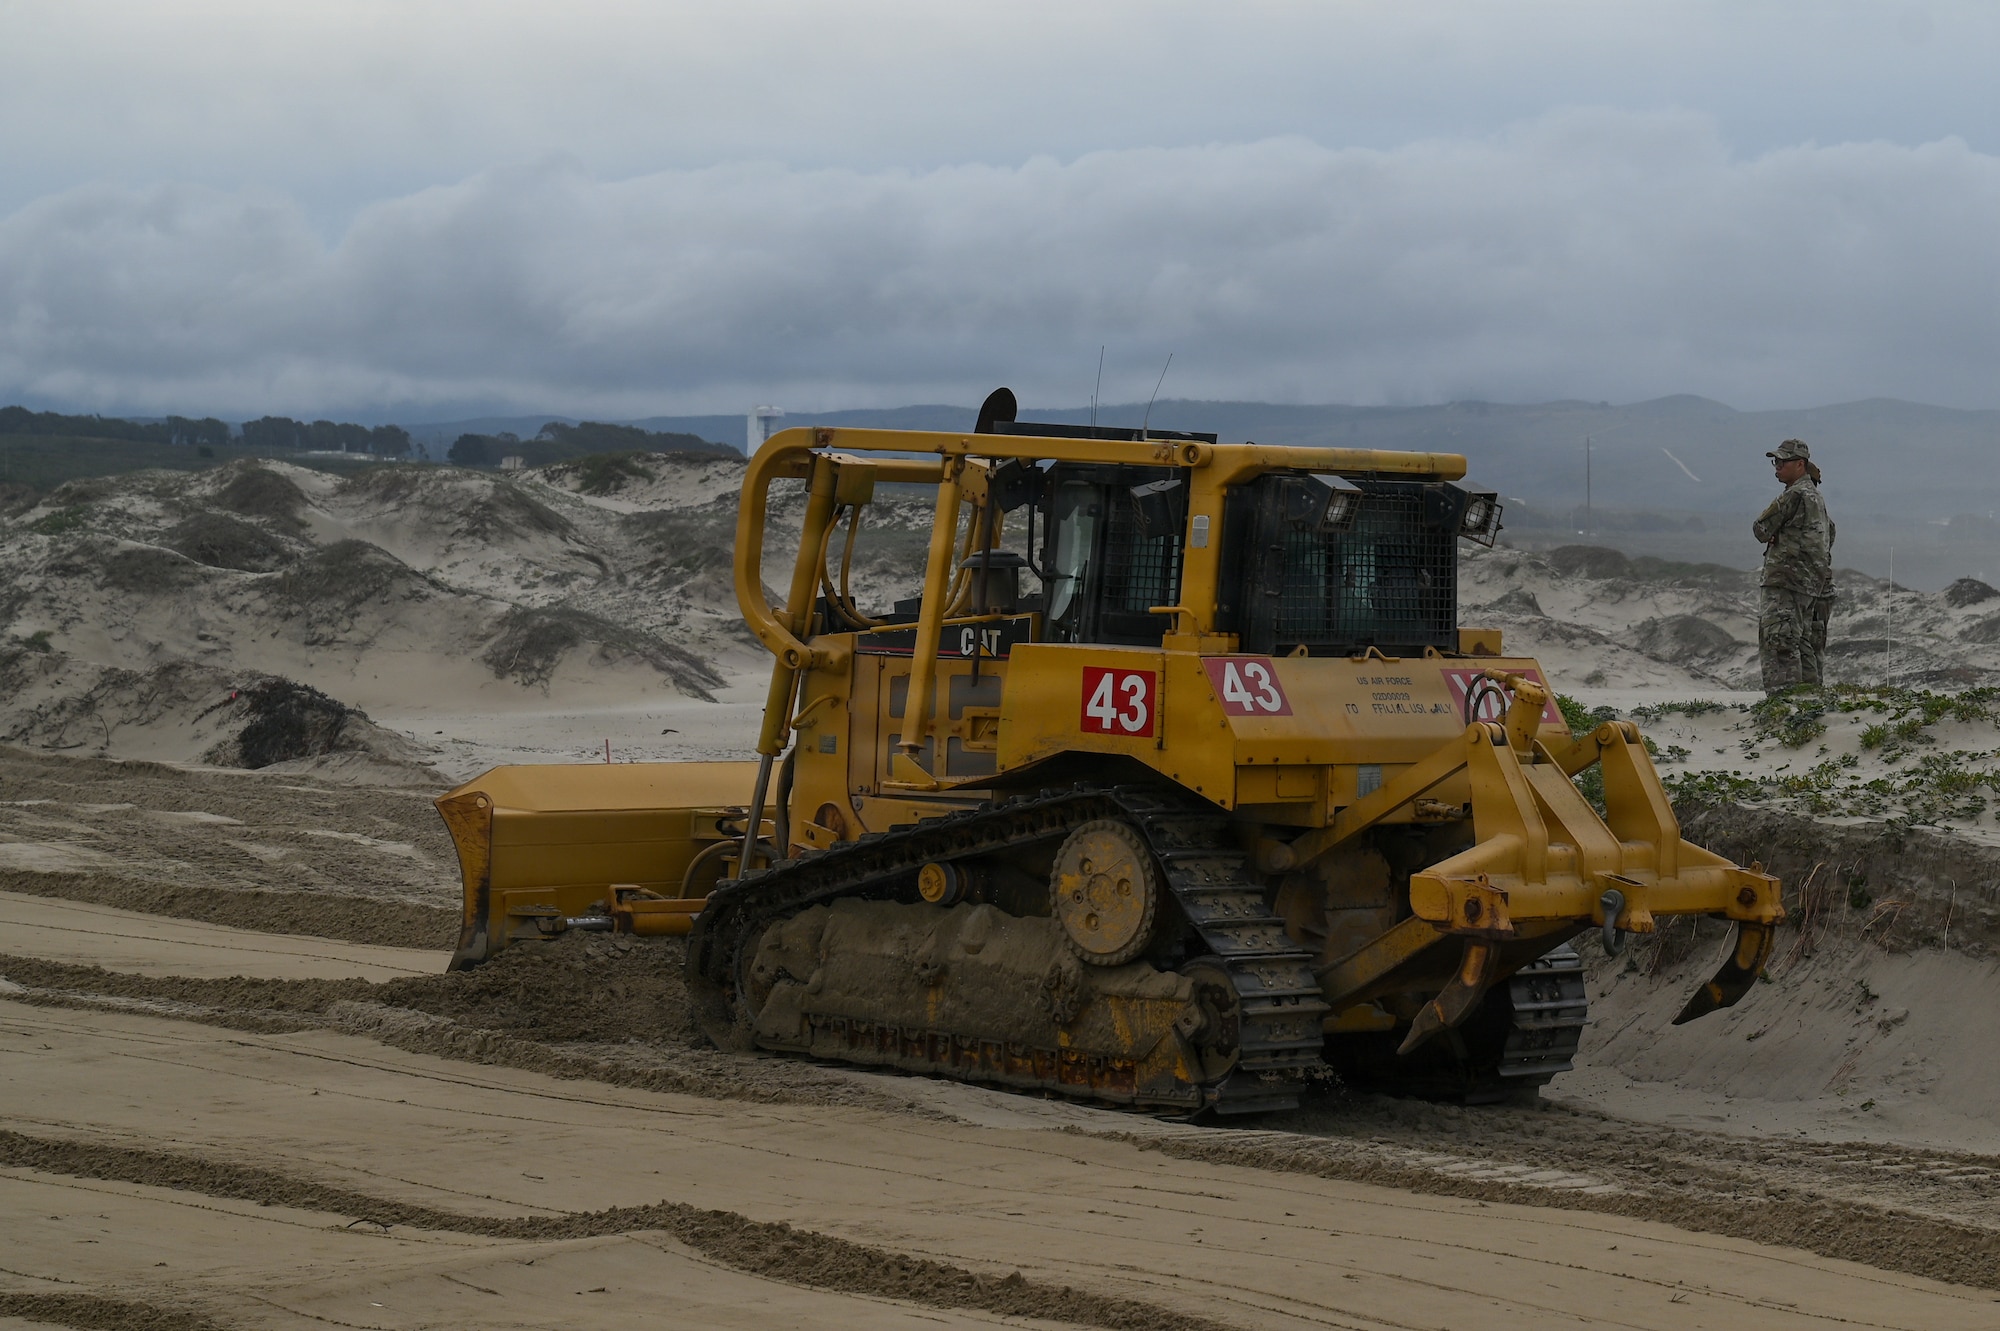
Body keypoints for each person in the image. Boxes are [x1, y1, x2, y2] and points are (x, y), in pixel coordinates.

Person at [1752, 439, 1833, 694]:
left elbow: (1761, 528)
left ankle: (1783, 702)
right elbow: (1829, 535)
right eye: (1776, 462)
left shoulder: (1795, 495)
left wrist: (1779, 536)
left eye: (1782, 462)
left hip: (1786, 580)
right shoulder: (1817, 499)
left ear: (1800, 465)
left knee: (1779, 641)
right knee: (1804, 642)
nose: (1776, 467)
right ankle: (1809, 699)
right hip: (1813, 584)